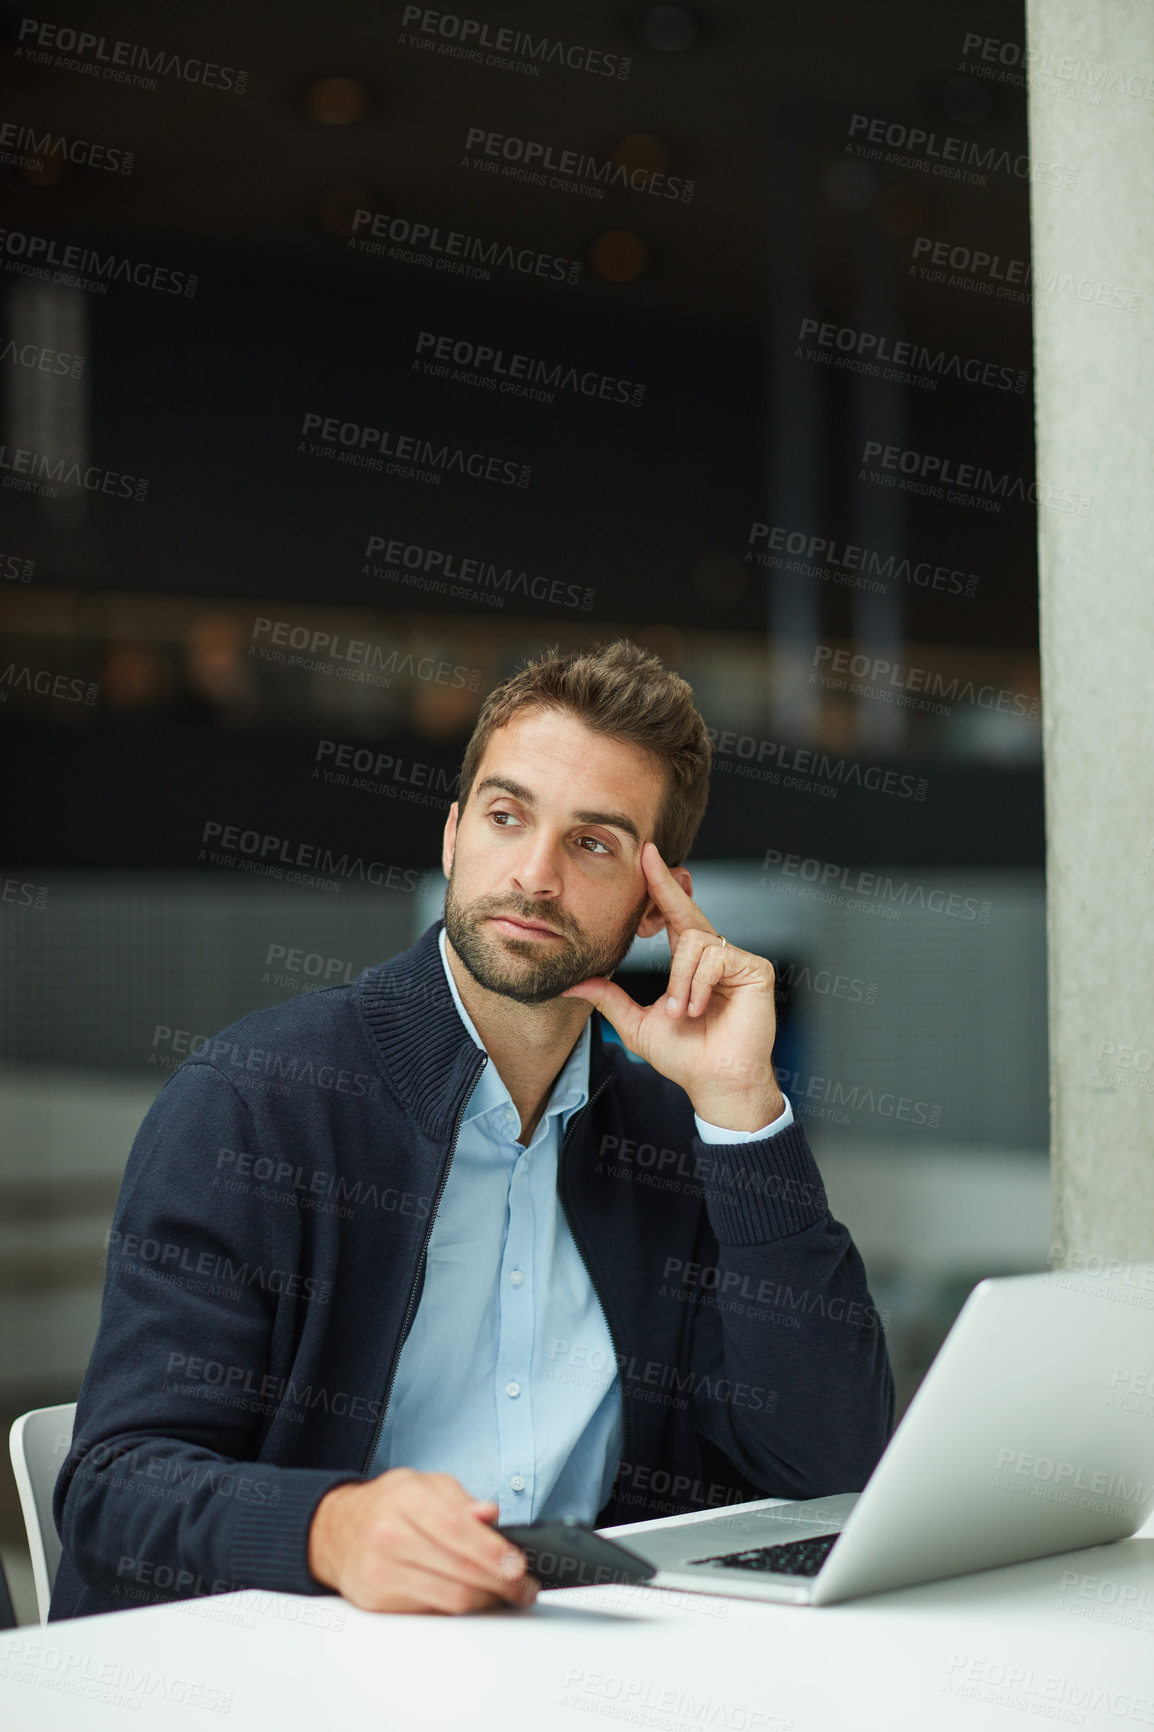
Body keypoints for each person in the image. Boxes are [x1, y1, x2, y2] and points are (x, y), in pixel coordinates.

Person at [50, 639, 893, 1621]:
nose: (533, 875)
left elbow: (828, 1467)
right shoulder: (254, 1103)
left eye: (593, 844)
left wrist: (745, 1116)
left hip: (574, 1672)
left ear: (657, 905)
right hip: (281, 1673)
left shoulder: (677, 1137)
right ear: (451, 838)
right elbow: (114, 1491)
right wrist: (330, 1528)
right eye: (506, 817)